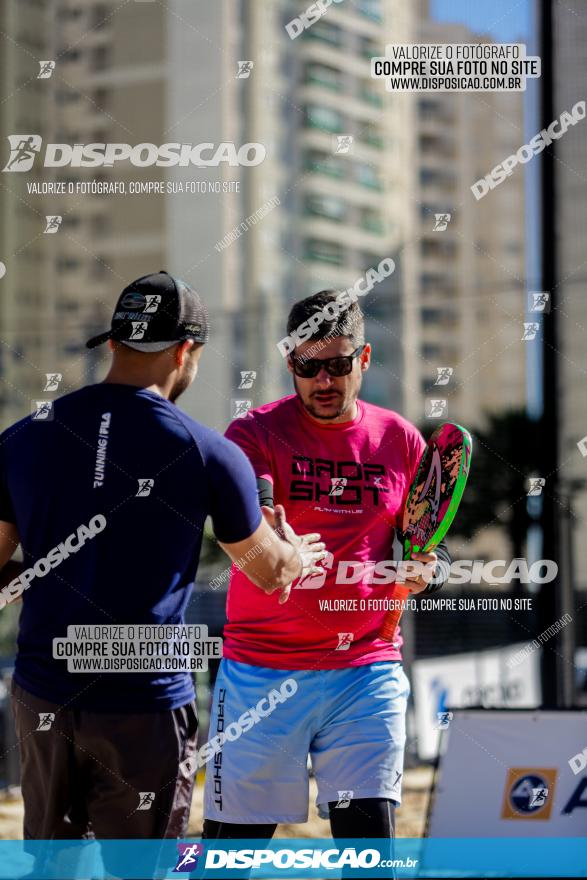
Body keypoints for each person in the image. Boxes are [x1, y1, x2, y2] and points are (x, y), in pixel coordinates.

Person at [0, 271, 325, 844]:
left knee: (54, 865)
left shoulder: (24, 436)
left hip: (44, 692)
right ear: (185, 351)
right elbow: (269, 572)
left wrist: (42, 578)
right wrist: (295, 552)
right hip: (143, 703)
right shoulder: (208, 451)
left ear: (116, 343)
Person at [203, 291, 451, 846]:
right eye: (307, 366)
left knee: (369, 850)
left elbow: (425, 544)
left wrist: (428, 570)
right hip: (260, 670)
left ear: (363, 360)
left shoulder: (400, 439)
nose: (323, 381)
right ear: (290, 362)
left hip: (367, 669)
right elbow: (249, 528)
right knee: (230, 853)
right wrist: (272, 540)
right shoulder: (254, 434)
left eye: (338, 365)